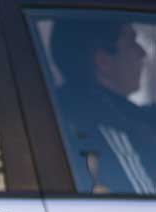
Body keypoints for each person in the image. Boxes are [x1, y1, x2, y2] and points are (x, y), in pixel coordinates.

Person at [50, 19, 156, 195]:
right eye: (131, 43)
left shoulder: (78, 109)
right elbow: (145, 207)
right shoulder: (108, 128)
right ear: (103, 61)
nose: (142, 52)